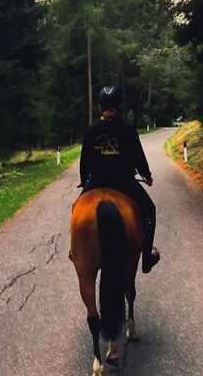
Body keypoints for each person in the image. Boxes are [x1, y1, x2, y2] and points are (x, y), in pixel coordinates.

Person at [78, 85, 160, 273]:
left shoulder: (92, 130)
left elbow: (85, 160)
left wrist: (84, 179)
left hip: (97, 182)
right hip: (125, 184)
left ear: (101, 106)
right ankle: (147, 258)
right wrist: (146, 176)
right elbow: (139, 157)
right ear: (118, 106)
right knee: (150, 211)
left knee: (78, 208)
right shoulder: (128, 130)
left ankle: (76, 251)